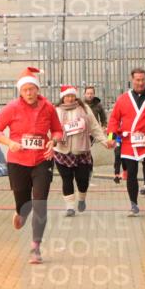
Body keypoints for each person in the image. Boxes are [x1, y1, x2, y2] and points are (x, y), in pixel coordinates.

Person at [0, 67, 63, 264]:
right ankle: (20, 212)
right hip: (18, 161)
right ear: (20, 92)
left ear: (38, 89)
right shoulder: (12, 108)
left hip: (42, 160)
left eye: (32, 89)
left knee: (40, 203)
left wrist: (53, 141)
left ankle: (35, 247)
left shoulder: (48, 108)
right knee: (24, 203)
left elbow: (58, 130)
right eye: (25, 90)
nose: (29, 93)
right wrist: (9, 143)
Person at [107, 67, 145, 216]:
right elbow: (114, 119)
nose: (140, 83)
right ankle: (133, 204)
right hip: (129, 142)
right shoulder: (123, 99)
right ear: (132, 80)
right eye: (137, 80)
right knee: (131, 174)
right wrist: (111, 137)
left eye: (142, 80)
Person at [54, 84, 114, 216]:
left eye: (72, 96)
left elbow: (94, 126)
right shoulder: (56, 110)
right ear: (62, 97)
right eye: (67, 96)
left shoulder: (84, 108)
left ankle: (81, 198)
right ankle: (70, 207)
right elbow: (50, 129)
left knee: (83, 180)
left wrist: (104, 141)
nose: (70, 99)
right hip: (62, 151)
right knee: (67, 179)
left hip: (81, 151)